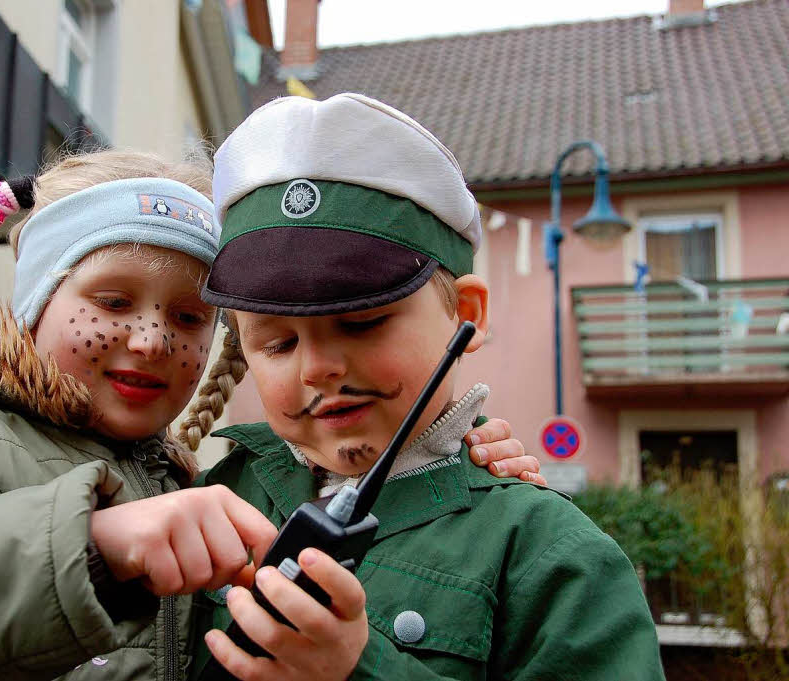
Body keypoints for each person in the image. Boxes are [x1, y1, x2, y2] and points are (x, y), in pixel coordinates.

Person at [0, 148, 537, 681]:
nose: (148, 337)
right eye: (111, 301)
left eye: (189, 317)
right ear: (34, 305)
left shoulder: (181, 470)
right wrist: (89, 542)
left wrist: (437, 456)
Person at [181, 94, 666, 681]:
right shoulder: (211, 498)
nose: (317, 369)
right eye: (277, 344)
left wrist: (361, 670)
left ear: (467, 314)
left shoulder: (549, 555)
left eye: (361, 322)